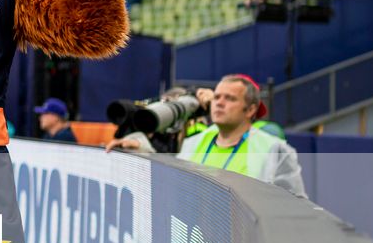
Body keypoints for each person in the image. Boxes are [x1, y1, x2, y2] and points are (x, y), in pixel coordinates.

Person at [110, 74, 306, 197]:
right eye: (217, 96)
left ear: (250, 109)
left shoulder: (274, 149)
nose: (219, 103)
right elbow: (174, 176)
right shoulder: (193, 142)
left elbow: (295, 206)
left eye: (229, 98)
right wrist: (142, 150)